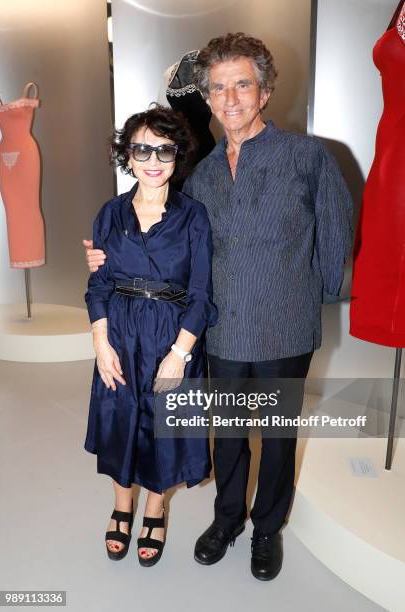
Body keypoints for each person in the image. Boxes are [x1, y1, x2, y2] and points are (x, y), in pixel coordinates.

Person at [84, 33, 353, 580]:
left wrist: (315, 295)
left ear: (265, 91)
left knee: (275, 437)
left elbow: (337, 232)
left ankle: (266, 530)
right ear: (205, 98)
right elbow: (172, 243)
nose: (230, 99)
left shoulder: (307, 157)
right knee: (228, 435)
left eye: (243, 85)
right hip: (222, 329)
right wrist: (106, 262)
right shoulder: (201, 174)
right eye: (218, 89)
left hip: (284, 327)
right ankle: (227, 518)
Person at [84, 105, 217, 567]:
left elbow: (201, 294)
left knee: (166, 431)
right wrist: (101, 343)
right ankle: (122, 507)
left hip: (171, 337)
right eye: (142, 148)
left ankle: (155, 509)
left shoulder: (193, 217)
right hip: (119, 334)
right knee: (120, 423)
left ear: (178, 155)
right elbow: (97, 284)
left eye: (164, 149)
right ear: (127, 154)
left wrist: (180, 355)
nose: (154, 159)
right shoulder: (110, 213)